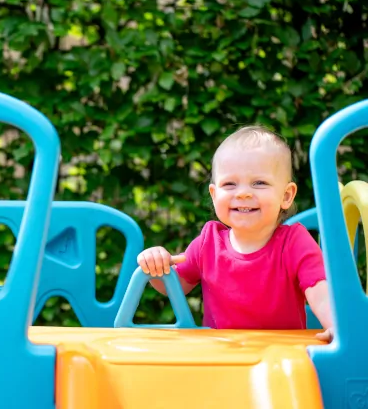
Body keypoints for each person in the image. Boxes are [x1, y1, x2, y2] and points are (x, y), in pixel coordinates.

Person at [137, 125, 334, 341]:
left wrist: (336, 326)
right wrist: (156, 265)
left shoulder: (295, 242)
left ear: (286, 196)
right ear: (214, 195)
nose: (243, 194)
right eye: (230, 184)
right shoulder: (208, 242)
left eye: (259, 183)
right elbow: (173, 286)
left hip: (279, 357)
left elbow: (320, 291)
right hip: (224, 357)